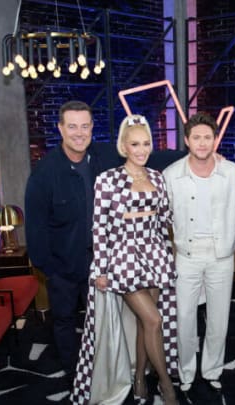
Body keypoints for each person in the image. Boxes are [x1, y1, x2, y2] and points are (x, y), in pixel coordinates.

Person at [71, 114, 179, 405]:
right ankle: (167, 386)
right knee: (154, 319)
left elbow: (165, 218)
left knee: (147, 325)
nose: (142, 150)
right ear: (124, 146)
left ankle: (140, 378)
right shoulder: (108, 179)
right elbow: (100, 227)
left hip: (154, 254)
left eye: (146, 143)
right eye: (135, 144)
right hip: (124, 257)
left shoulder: (157, 177)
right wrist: (101, 268)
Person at [25, 101, 121, 378]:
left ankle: (105, 373)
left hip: (101, 263)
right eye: (72, 126)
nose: (79, 133)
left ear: (92, 127)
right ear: (60, 129)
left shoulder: (105, 155)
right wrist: (51, 270)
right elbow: (35, 229)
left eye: (85, 126)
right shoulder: (44, 173)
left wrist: (200, 155)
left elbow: (146, 155)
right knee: (65, 321)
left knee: (103, 321)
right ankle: (73, 373)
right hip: (63, 267)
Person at [162, 112, 235, 398]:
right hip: (186, 255)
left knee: (219, 319)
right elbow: (162, 216)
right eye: (196, 137)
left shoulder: (231, 171)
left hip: (222, 255)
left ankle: (212, 370)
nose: (202, 142)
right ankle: (185, 371)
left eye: (208, 137)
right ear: (187, 140)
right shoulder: (171, 174)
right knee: (184, 318)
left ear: (215, 140)